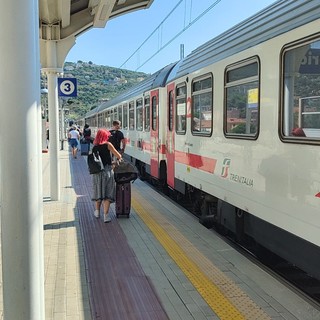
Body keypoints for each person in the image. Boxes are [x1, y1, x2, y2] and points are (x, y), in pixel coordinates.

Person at [92, 128, 122, 223]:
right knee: (107, 193)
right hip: (107, 172)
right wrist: (114, 161)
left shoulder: (94, 146)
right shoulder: (108, 145)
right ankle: (106, 216)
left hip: (97, 173)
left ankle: (97, 212)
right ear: (105, 136)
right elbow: (118, 156)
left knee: (98, 192)